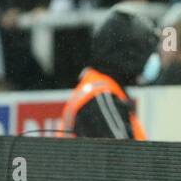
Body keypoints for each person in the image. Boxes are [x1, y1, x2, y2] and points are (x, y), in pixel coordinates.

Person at [59, 9, 160, 140]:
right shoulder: (101, 96)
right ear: (128, 55)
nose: (150, 59)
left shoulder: (99, 89)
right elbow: (123, 156)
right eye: (146, 52)